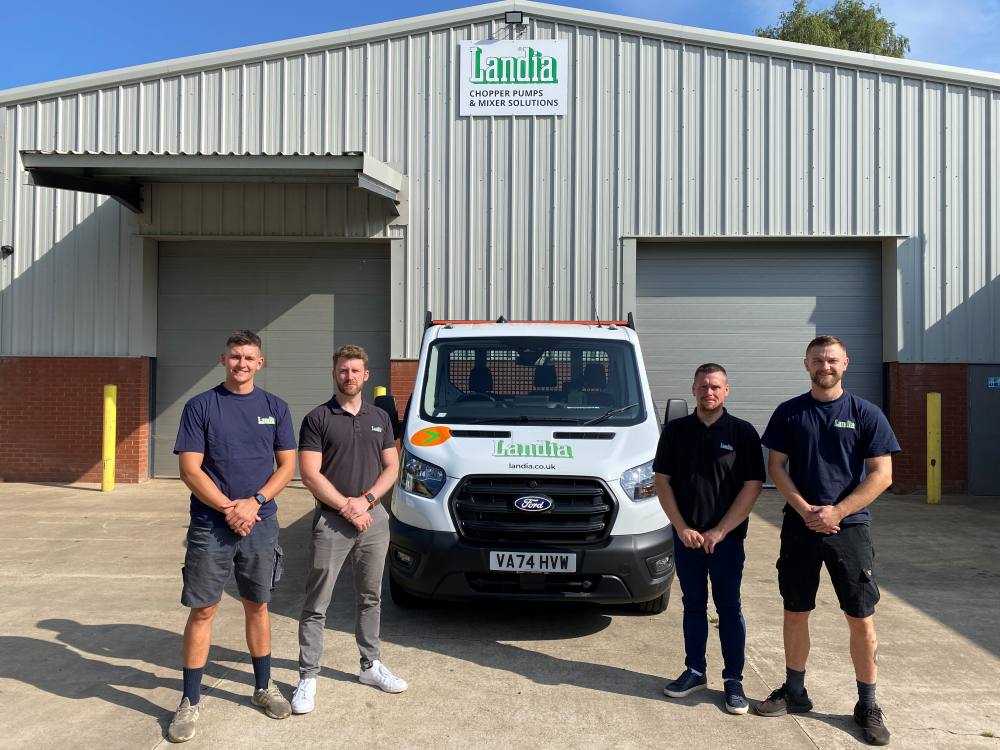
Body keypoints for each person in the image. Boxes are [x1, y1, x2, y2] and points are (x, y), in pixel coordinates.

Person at [757, 335, 899, 747]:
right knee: (795, 610)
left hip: (850, 529)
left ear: (845, 363)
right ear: (806, 364)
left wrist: (837, 511)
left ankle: (867, 704)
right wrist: (805, 509)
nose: (825, 365)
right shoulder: (789, 413)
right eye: (818, 359)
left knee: (860, 616)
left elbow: (881, 474)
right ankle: (795, 691)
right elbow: (776, 467)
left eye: (832, 359)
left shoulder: (866, 413)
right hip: (799, 526)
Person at [168, 330, 296, 743]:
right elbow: (190, 469)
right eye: (236, 356)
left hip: (260, 523)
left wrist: (254, 503)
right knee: (203, 610)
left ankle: (263, 686)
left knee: (257, 606)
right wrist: (229, 508)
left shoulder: (275, 407)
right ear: (223, 358)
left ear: (261, 363)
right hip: (211, 525)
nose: (242, 364)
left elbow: (286, 467)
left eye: (250, 358)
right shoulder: (201, 406)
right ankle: (189, 700)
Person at [291, 344, 405, 715]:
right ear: (334, 373)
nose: (350, 376)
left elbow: (392, 466)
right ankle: (308, 676)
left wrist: (367, 502)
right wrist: (346, 506)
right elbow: (309, 473)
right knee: (316, 603)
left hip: (373, 521)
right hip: (332, 522)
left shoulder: (380, 417)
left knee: (370, 596)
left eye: (356, 370)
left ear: (366, 375)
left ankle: (370, 665)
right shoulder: (317, 418)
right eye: (343, 370)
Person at [654, 363, 765, 714]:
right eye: (703, 386)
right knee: (693, 605)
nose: (709, 392)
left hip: (726, 541)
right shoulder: (675, 431)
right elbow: (662, 481)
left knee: (729, 608)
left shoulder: (743, 432)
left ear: (726, 390)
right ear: (694, 389)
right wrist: (680, 526)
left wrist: (721, 530)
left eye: (716, 386)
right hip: (686, 539)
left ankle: (733, 680)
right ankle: (695, 670)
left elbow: (752, 486)